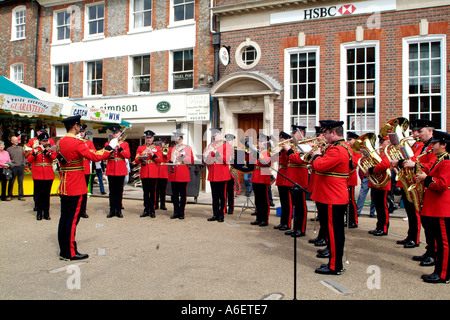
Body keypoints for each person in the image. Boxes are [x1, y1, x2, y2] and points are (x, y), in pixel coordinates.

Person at [57, 115, 114, 261]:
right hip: (75, 185)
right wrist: (108, 148)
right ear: (75, 126)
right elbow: (94, 157)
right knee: (72, 220)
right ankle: (69, 252)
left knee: (64, 218)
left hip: (64, 184)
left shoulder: (60, 142)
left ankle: (63, 249)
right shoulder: (77, 142)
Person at [309, 120, 352, 275]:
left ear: (333, 132)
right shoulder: (338, 147)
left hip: (332, 196)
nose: (324, 136)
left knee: (335, 233)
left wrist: (315, 156)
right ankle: (334, 263)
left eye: (326, 133)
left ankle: (335, 266)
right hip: (331, 194)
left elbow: (320, 165)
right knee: (334, 232)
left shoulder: (338, 149)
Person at [416, 130, 450, 284]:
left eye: (435, 143)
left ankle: (443, 275)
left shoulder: (446, 161)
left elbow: (443, 185)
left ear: (444, 145)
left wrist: (427, 178)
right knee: (439, 241)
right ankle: (439, 270)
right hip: (436, 207)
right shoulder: (439, 160)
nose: (432, 146)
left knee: (444, 244)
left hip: (442, 207)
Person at [403, 119, 438, 267]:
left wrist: (416, 164)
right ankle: (429, 250)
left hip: (430, 187)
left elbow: (433, 165)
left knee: (432, 225)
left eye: (420, 131)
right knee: (426, 223)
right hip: (422, 187)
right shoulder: (425, 146)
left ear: (430, 131)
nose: (417, 134)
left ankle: (434, 253)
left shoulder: (435, 146)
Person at [391, 123, 423, 248]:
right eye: (414, 132)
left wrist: (399, 162)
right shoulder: (414, 144)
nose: (414, 134)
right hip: (406, 179)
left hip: (414, 181)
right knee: (409, 212)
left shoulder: (420, 145)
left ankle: (415, 239)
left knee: (414, 212)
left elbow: (414, 159)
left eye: (417, 132)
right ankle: (410, 235)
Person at [283, 125, 309, 237]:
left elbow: (300, 160)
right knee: (295, 205)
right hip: (293, 178)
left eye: (295, 132)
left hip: (300, 179)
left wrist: (288, 150)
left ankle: (301, 229)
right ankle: (295, 227)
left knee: (300, 206)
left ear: (301, 133)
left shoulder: (305, 146)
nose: (293, 134)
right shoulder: (295, 146)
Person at [26, 132, 58, 220]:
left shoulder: (50, 149)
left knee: (47, 195)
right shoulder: (35, 149)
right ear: (39, 141)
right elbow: (29, 160)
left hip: (48, 174)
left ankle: (46, 213)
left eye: (46, 140)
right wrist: (34, 154)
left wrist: (46, 152)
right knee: (39, 195)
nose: (45, 142)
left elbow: (54, 157)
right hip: (38, 174)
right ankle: (39, 213)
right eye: (43, 141)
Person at [366, 134, 392, 236]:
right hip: (376, 183)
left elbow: (384, 165)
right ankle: (379, 226)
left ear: (388, 142)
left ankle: (384, 228)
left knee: (382, 207)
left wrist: (371, 169)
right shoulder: (381, 153)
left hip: (383, 183)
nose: (380, 144)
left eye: (382, 142)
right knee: (378, 206)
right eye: (380, 142)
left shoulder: (388, 153)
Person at [204, 128, 232, 223]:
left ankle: (221, 214)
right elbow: (208, 160)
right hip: (213, 173)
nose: (214, 136)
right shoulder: (210, 145)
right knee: (214, 196)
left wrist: (216, 153)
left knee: (222, 196)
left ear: (220, 134)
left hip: (222, 174)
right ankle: (215, 214)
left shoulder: (226, 145)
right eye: (213, 135)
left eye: (216, 134)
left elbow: (227, 159)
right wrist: (207, 155)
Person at [247, 134, 274, 227]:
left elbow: (265, 162)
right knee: (257, 199)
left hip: (263, 175)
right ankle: (258, 218)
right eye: (258, 141)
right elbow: (250, 162)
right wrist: (250, 152)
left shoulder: (268, 151)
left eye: (261, 141)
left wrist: (257, 154)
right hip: (256, 175)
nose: (259, 143)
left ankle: (264, 219)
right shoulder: (258, 151)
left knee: (264, 200)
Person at [134, 130, 163, 218]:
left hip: (153, 172)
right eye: (147, 138)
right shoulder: (140, 148)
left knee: (153, 192)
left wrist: (152, 154)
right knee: (145, 192)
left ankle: (152, 210)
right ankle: (146, 209)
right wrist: (142, 155)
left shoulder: (157, 148)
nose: (148, 139)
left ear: (153, 138)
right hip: (144, 172)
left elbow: (160, 160)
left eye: (150, 138)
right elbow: (136, 160)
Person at [104, 125, 131, 218]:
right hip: (111, 169)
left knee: (119, 191)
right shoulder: (108, 144)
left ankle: (118, 210)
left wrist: (119, 148)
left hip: (120, 169)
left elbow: (127, 155)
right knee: (112, 191)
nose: (115, 134)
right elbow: (105, 156)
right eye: (114, 133)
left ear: (120, 133)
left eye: (116, 133)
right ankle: (112, 210)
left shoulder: (125, 144)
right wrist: (111, 148)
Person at [167, 131, 193, 219]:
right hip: (174, 172)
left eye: (177, 139)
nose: (176, 141)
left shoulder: (187, 148)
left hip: (182, 172)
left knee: (182, 194)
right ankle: (175, 212)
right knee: (174, 194)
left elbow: (190, 161)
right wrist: (171, 160)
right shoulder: (172, 149)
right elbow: (167, 159)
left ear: (181, 139)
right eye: (175, 139)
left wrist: (181, 156)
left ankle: (181, 212)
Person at [274, 131, 293, 231]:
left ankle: (287, 223)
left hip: (286, 176)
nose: (280, 141)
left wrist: (283, 150)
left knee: (288, 203)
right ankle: (283, 222)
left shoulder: (287, 150)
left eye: (282, 139)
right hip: (281, 177)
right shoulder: (281, 150)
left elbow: (286, 160)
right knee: (283, 202)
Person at [79, 124, 94, 218]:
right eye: (80, 131)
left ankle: (83, 210)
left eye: (83, 132)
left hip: (85, 168)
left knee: (84, 191)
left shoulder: (88, 143)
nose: (81, 133)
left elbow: (93, 152)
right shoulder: (75, 141)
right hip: (77, 168)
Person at [346, 131, 360, 228]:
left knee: (351, 200)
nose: (348, 142)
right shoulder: (348, 149)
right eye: (348, 140)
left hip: (351, 177)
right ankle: (347, 220)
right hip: (345, 178)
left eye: (350, 140)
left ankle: (354, 221)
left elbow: (354, 163)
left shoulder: (357, 150)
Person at [7, 136, 26, 201]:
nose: (17, 141)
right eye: (15, 140)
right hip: (13, 167)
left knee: (20, 182)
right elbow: (8, 158)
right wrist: (10, 165)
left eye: (17, 140)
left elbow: (24, 156)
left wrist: (23, 164)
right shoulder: (9, 149)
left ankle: (21, 195)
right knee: (11, 181)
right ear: (12, 141)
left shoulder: (21, 148)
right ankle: (9, 195)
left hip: (21, 166)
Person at [225, 133, 236, 215]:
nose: (228, 142)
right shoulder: (224, 148)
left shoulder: (234, 149)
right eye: (227, 140)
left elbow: (236, 161)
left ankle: (231, 208)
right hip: (224, 171)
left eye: (230, 140)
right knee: (224, 191)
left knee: (230, 191)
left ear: (232, 141)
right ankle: (224, 207)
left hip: (231, 171)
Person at [156, 140, 169, 211]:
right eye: (162, 143)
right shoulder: (157, 150)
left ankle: (163, 204)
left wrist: (164, 152)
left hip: (164, 173)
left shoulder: (166, 150)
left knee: (163, 191)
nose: (163, 144)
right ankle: (156, 204)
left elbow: (168, 158)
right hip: (157, 172)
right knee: (156, 190)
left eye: (164, 143)